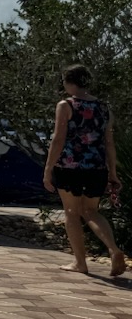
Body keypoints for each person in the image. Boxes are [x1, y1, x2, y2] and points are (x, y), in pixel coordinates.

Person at [43, 63, 124, 276]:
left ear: (69, 82)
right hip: (96, 168)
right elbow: (109, 143)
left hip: (69, 167)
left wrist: (48, 169)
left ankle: (80, 262)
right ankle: (113, 249)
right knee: (91, 211)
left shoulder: (66, 105)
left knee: (71, 213)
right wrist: (112, 173)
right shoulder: (104, 108)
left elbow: (58, 139)